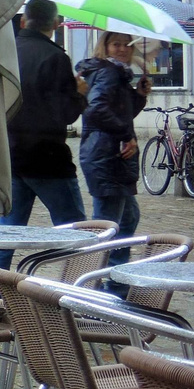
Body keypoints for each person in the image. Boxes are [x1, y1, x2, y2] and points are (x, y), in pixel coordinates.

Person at [0, 0, 88, 265]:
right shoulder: (56, 57)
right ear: (56, 24)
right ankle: (78, 290)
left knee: (5, 235)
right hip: (49, 160)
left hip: (11, 156)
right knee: (76, 234)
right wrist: (80, 94)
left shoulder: (6, 52)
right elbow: (65, 114)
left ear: (24, 21)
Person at [77, 31, 150, 267]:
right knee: (108, 225)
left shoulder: (117, 75)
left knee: (128, 218)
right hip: (106, 155)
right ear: (105, 47)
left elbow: (121, 113)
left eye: (127, 45)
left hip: (109, 154)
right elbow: (96, 109)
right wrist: (126, 136)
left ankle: (114, 278)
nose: (122, 49)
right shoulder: (108, 72)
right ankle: (100, 280)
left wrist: (138, 95)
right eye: (115, 44)